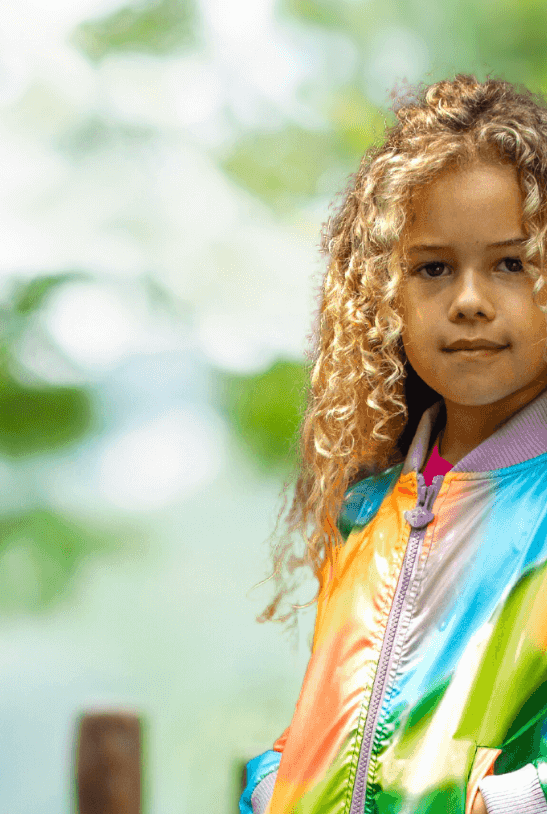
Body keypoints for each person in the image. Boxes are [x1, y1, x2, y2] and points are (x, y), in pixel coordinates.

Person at [241, 75, 547, 814]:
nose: (470, 299)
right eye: (433, 268)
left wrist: (503, 805)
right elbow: (342, 722)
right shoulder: (364, 508)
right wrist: (271, 782)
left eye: (511, 262)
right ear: (385, 295)